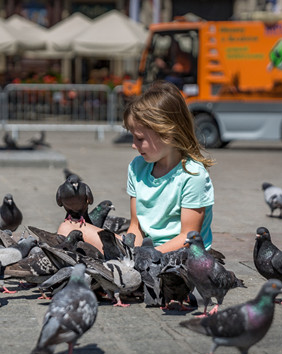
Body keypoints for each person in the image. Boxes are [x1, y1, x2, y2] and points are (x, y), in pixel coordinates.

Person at [58, 80, 215, 253]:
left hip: (179, 254)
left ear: (168, 134)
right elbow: (136, 228)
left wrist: (147, 256)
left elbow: (187, 237)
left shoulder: (193, 175)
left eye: (140, 138)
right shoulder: (137, 167)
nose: (133, 145)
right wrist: (131, 251)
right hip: (142, 251)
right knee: (68, 229)